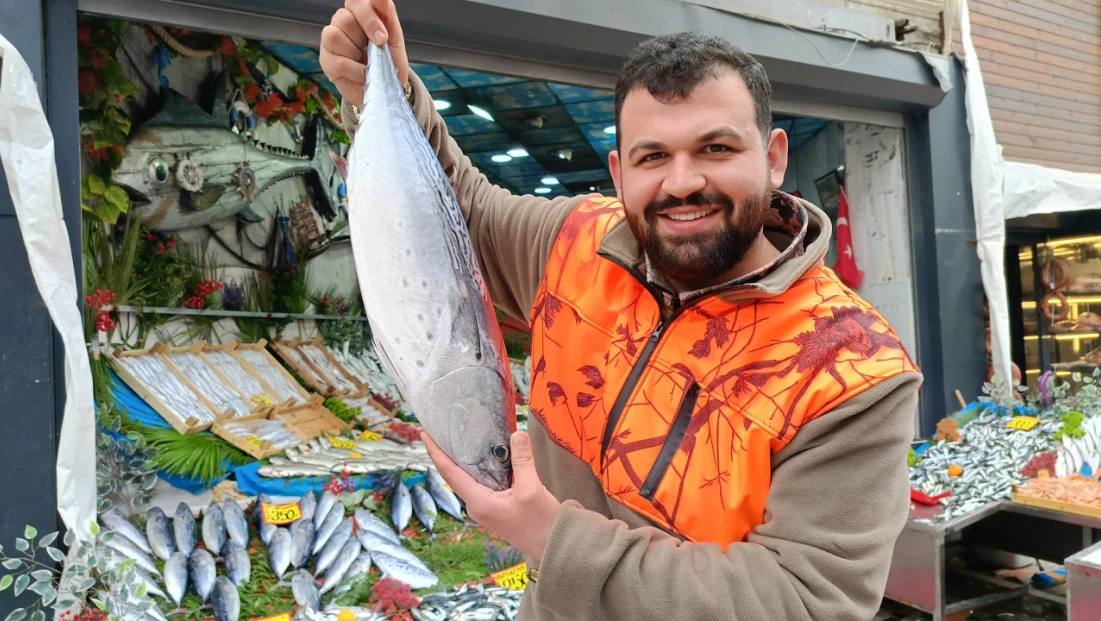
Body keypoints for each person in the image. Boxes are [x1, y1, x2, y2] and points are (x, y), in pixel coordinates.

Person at [321, 1, 923, 619]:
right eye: (652, 156)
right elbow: (455, 214)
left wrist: (549, 535)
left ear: (772, 157)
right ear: (618, 170)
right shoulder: (575, 244)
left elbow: (805, 600)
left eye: (715, 147)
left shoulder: (853, 370)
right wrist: (385, 89)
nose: (682, 181)